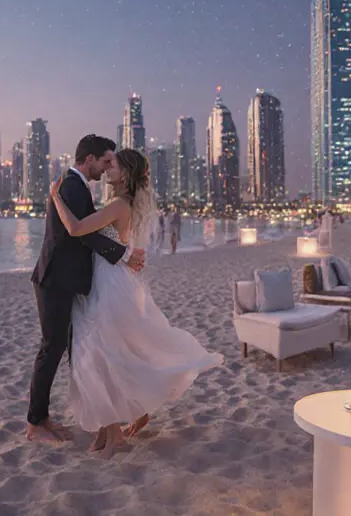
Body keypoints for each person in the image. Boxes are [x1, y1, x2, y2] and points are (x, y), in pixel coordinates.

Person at [49, 148, 222, 457]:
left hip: (108, 282)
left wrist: (56, 198)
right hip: (114, 278)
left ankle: (113, 433)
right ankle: (108, 429)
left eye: (111, 164)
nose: (106, 168)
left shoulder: (118, 204)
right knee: (103, 352)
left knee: (100, 353)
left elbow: (75, 229)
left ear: (125, 173)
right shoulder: (121, 203)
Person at [26, 135, 146, 445]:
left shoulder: (74, 186)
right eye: (106, 161)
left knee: (78, 350)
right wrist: (124, 254)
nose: (108, 168)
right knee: (52, 348)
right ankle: (35, 423)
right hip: (55, 281)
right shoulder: (71, 185)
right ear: (89, 159)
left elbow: (84, 231)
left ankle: (60, 417)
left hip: (72, 282)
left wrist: (124, 254)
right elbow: (82, 235)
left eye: (113, 164)